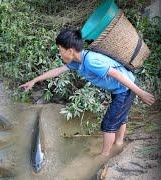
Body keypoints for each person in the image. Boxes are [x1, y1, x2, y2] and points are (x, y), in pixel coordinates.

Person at [19, 28, 155, 156]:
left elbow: (118, 75)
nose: (59, 53)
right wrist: (34, 81)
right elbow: (57, 71)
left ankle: (105, 155)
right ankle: (119, 144)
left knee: (108, 124)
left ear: (70, 51)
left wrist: (140, 92)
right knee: (119, 117)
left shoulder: (91, 61)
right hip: (119, 89)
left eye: (60, 50)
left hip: (124, 89)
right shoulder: (77, 61)